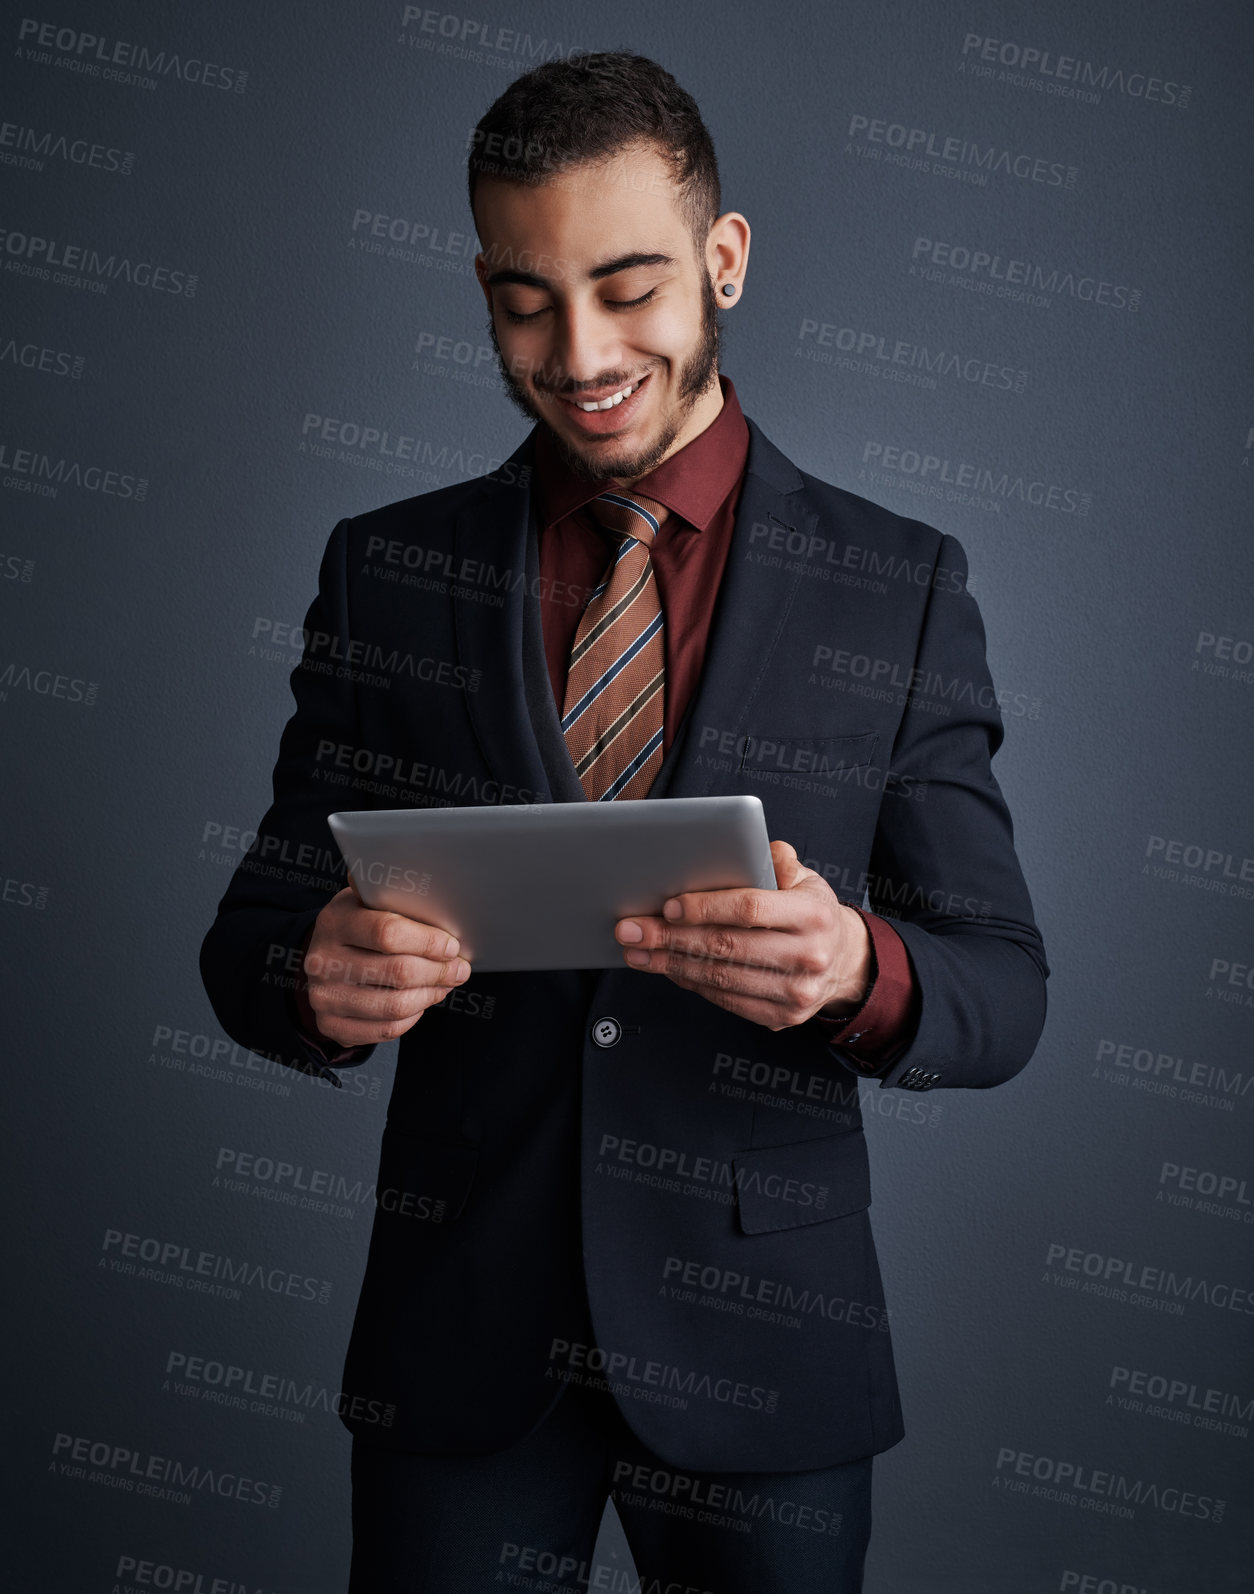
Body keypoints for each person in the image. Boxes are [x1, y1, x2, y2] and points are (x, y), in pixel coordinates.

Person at [201, 51, 1048, 1593]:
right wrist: (313, 979)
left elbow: (1004, 985)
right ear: (481, 283)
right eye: (525, 299)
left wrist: (859, 967)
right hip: (460, 1342)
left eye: (628, 285)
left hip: (768, 1348)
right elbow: (253, 934)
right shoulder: (387, 570)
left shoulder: (897, 584)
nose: (578, 349)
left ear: (724, 260)